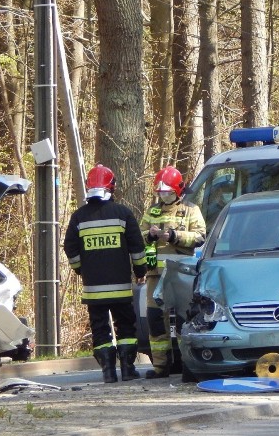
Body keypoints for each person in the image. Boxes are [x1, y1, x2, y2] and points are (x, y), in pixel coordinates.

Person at [64, 164, 148, 383]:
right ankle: (128, 370)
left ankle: (108, 373)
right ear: (112, 187)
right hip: (120, 287)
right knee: (126, 326)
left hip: (93, 290)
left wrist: (80, 269)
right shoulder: (123, 214)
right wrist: (141, 271)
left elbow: (70, 248)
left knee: (100, 330)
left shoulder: (78, 218)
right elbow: (137, 248)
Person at [139, 165, 206, 378]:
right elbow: (139, 236)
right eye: (160, 192)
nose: (164, 195)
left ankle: (188, 365)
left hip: (180, 275)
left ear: (178, 190)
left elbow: (199, 236)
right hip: (155, 274)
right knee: (155, 318)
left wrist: (175, 236)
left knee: (184, 319)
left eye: (167, 191)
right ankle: (161, 366)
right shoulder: (152, 211)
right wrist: (149, 235)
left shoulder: (191, 210)